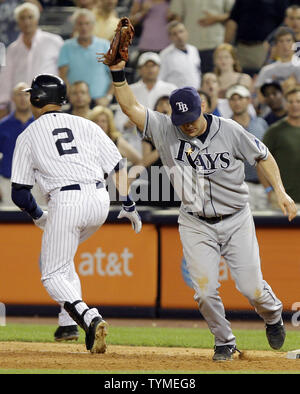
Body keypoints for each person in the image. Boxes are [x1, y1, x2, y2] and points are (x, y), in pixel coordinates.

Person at [107, 58, 297, 361]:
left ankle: (273, 316)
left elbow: (263, 155)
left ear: (204, 108)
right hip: (195, 222)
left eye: (193, 117)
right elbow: (130, 107)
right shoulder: (165, 128)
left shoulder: (230, 130)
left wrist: (282, 191)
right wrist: (117, 74)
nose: (188, 124)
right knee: (205, 291)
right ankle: (224, 341)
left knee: (252, 290)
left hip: (236, 218)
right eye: (181, 120)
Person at [11, 73, 142, 350]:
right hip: (99, 201)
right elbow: (118, 166)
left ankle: (88, 317)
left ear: (36, 99)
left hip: (67, 200)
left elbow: (19, 193)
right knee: (59, 257)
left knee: (51, 273)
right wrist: (128, 203)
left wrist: (37, 215)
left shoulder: (29, 134)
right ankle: (66, 323)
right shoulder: (86, 124)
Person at [0, 2, 64, 120]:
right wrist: (3, 104)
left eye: (30, 17)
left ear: (37, 19)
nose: (26, 21)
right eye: (22, 18)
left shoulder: (54, 41)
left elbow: (63, 71)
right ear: (18, 22)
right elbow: (5, 79)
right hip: (20, 105)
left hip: (48, 103)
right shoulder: (12, 49)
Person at [114, 51, 177, 156]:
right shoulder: (129, 90)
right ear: (139, 69)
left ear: (159, 68)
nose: (150, 69)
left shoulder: (171, 89)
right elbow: (118, 122)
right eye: (146, 66)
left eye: (153, 66)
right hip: (135, 145)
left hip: (166, 142)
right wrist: (126, 125)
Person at [58, 8, 113, 107]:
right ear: (75, 26)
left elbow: (115, 75)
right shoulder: (66, 47)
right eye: (80, 24)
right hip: (76, 103)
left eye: (87, 23)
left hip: (100, 102)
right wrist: (71, 96)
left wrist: (108, 97)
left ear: (93, 25)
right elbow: (63, 76)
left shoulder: (105, 45)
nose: (84, 27)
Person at [227, 84, 269, 211]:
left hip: (263, 186)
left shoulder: (261, 123)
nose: (236, 102)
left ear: (249, 100)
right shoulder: (224, 126)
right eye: (233, 99)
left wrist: (270, 187)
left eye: (240, 98)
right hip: (237, 186)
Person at [169, 0, 235, 74]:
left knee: (216, 80)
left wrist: (216, 18)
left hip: (216, 45)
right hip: (190, 46)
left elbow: (235, 12)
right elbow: (176, 17)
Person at [225, 0, 288, 75]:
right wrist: (226, 45)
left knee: (262, 78)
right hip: (241, 48)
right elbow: (233, 20)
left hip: (263, 48)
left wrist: (274, 45)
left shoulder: (278, 2)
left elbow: (284, 24)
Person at [262, 88, 300, 206]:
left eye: (298, 101)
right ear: (285, 104)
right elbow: (260, 162)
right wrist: (269, 190)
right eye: (290, 101)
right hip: (284, 200)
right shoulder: (274, 131)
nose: (294, 105)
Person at [255, 27, 300, 94]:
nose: (285, 45)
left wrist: (295, 86)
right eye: (281, 41)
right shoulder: (267, 70)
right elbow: (259, 97)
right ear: (276, 45)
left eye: (288, 40)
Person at [159, 20, 201, 90]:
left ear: (186, 32)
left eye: (181, 31)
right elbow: (160, 79)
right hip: (175, 95)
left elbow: (197, 72)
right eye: (174, 34)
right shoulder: (165, 54)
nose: (179, 36)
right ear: (170, 37)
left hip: (195, 94)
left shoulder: (194, 50)